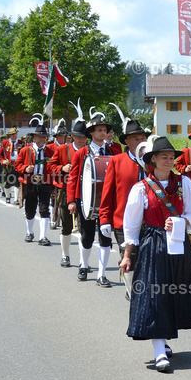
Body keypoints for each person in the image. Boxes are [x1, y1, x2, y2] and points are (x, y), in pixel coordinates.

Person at [118, 136, 191, 373]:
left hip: (178, 245)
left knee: (174, 293)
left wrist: (180, 221)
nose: (169, 160)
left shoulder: (184, 183)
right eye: (163, 157)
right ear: (152, 160)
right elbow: (131, 226)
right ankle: (158, 352)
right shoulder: (140, 189)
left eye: (171, 157)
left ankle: (163, 340)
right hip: (153, 245)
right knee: (155, 297)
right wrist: (127, 255)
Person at [98, 114, 150, 292]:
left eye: (143, 138)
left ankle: (144, 292)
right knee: (129, 258)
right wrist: (104, 219)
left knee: (150, 258)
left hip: (151, 220)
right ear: (127, 141)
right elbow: (108, 193)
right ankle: (132, 293)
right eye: (136, 138)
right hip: (124, 221)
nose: (141, 141)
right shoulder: (116, 161)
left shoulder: (152, 161)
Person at [66, 110, 114, 285]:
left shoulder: (114, 151)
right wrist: (71, 200)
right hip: (85, 200)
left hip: (107, 201)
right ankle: (84, 265)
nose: (103, 133)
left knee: (105, 236)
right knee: (86, 236)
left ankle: (101, 274)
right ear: (91, 133)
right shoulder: (81, 154)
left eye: (104, 130)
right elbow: (72, 177)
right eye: (99, 130)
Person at [48, 119, 87, 268]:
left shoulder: (90, 150)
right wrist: (62, 168)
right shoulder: (63, 149)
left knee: (84, 227)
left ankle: (84, 260)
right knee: (66, 226)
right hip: (65, 190)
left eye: (84, 137)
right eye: (79, 136)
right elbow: (50, 166)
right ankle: (65, 255)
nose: (82, 139)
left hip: (85, 192)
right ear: (73, 137)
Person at [14, 119, 53, 245]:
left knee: (44, 209)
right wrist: (25, 168)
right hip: (30, 182)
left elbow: (54, 165)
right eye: (40, 137)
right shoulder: (26, 150)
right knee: (30, 209)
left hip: (45, 182)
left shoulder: (50, 151)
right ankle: (30, 232)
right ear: (35, 137)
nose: (43, 139)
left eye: (44, 137)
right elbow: (17, 165)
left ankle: (43, 236)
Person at [0, 128, 20, 203]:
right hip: (8, 166)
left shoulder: (21, 142)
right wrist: (2, 161)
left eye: (14, 134)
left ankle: (16, 199)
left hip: (18, 165)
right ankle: (8, 196)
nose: (13, 136)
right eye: (12, 135)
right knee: (7, 183)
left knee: (18, 182)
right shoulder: (4, 143)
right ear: (9, 135)